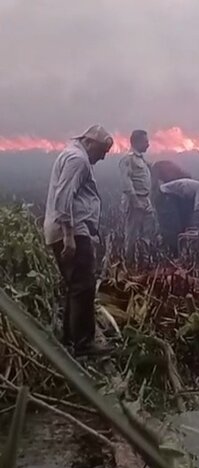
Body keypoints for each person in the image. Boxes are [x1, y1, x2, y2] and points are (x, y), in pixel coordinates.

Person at [43, 125, 114, 355]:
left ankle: (69, 339)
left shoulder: (73, 155)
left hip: (71, 231)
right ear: (91, 142)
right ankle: (84, 343)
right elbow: (64, 196)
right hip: (72, 232)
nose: (103, 157)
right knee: (83, 286)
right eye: (103, 150)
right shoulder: (78, 160)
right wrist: (69, 237)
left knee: (76, 286)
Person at [157, 178, 199, 254]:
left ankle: (176, 250)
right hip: (167, 195)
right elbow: (198, 208)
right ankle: (171, 251)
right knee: (173, 226)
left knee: (183, 225)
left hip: (174, 197)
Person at [119, 130, 155, 264]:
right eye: (146, 142)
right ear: (137, 142)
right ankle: (129, 264)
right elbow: (126, 182)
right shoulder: (128, 159)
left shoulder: (141, 160)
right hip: (135, 201)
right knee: (132, 235)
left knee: (147, 232)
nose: (148, 144)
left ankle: (144, 262)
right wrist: (135, 201)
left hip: (145, 200)